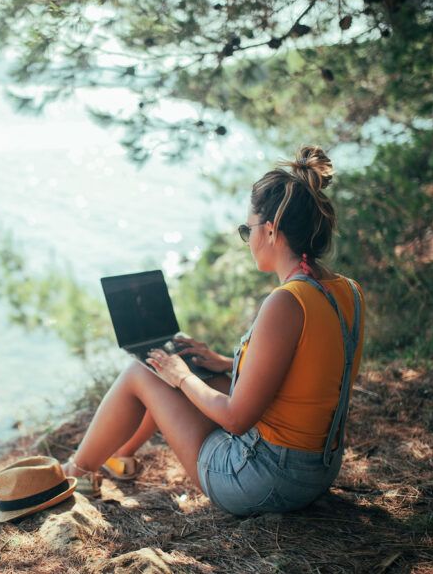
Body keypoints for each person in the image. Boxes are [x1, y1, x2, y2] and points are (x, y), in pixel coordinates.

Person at [62, 146, 365, 515]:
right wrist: (221, 363)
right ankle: (120, 454)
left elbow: (237, 419)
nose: (247, 238)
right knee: (178, 367)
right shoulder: (346, 290)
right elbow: (308, 373)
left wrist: (182, 377)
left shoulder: (286, 302)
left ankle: (75, 473)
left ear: (270, 231)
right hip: (319, 468)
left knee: (142, 372)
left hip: (265, 481)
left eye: (246, 229)